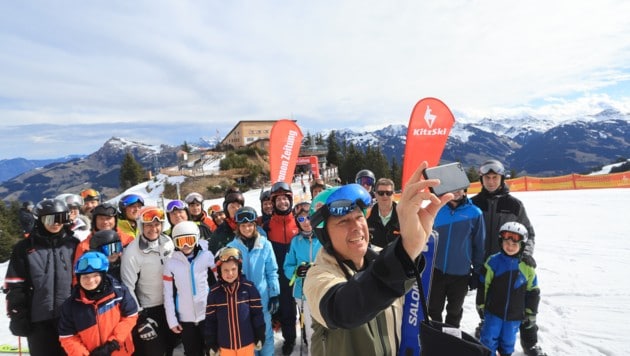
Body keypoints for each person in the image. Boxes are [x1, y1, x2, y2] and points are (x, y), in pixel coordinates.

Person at [303, 162, 452, 355]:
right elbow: (343, 309)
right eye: (343, 221)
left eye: (359, 217)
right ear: (325, 235)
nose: (356, 226)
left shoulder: (382, 257)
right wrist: (403, 252)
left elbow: (412, 315)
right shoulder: (318, 276)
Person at [471, 159, 546, 356]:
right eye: (487, 177)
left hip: (512, 264)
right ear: (481, 179)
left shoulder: (513, 205)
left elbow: (529, 232)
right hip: (485, 265)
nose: (491, 181)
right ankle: (485, 328)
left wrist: (526, 255)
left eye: (495, 177)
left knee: (520, 304)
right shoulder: (474, 204)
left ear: (502, 178)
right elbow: (466, 234)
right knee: (490, 302)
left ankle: (530, 343)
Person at [4, 198, 79, 355]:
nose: (56, 223)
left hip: (69, 318)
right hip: (38, 320)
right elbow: (15, 284)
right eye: (50, 218)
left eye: (60, 218)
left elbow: (83, 281)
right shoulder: (25, 248)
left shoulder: (73, 245)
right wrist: (18, 315)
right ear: (39, 219)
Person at [476, 222, 540, 356]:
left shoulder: (527, 267)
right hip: (493, 312)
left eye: (514, 244)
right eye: (507, 243)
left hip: (514, 315)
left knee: (508, 342)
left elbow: (533, 292)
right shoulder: (493, 261)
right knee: (488, 339)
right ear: (501, 242)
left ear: (521, 245)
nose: (510, 247)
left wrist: (531, 313)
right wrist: (481, 304)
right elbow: (483, 285)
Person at [120, 206, 177, 356]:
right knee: (154, 351)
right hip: (148, 309)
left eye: (157, 224)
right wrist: (140, 318)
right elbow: (127, 286)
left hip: (170, 306)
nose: (153, 229)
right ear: (141, 226)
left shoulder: (168, 242)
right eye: (148, 225)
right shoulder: (132, 252)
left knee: (173, 346)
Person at [58, 251, 139, 356]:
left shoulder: (119, 292)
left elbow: (131, 316)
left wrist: (113, 343)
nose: (90, 280)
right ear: (78, 278)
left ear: (103, 275)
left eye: (95, 275)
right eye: (85, 276)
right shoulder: (71, 305)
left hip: (119, 351)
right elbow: (67, 336)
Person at [428, 189, 486, 328]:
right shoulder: (438, 209)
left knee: (454, 312)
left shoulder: (475, 213)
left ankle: (450, 341)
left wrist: (477, 272)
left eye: (459, 189)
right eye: (452, 189)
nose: (456, 192)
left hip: (460, 274)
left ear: (465, 191)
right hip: (436, 270)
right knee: (433, 309)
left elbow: (479, 245)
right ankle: (433, 338)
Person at [227, 206, 280, 356]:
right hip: (241, 302)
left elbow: (272, 271)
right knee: (248, 337)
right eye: (243, 225)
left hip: (262, 299)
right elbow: (227, 278)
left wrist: (274, 294)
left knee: (266, 335)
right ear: (238, 227)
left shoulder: (265, 245)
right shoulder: (231, 248)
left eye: (250, 225)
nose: (247, 228)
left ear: (255, 225)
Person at [163, 221, 216, 356]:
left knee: (213, 350)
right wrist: (172, 320)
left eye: (190, 240)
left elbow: (219, 282)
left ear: (197, 238)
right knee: (192, 352)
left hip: (207, 315)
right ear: (175, 243)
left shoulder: (207, 256)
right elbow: (168, 294)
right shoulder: (171, 263)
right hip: (185, 319)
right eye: (181, 242)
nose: (186, 246)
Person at [205, 247, 266, 356]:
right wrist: (211, 342)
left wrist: (260, 334)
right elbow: (210, 321)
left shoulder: (249, 288)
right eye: (226, 270)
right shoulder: (214, 292)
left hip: (246, 344)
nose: (230, 273)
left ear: (239, 268)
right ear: (219, 271)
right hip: (225, 346)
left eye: (233, 269)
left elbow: (257, 314)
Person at [263, 181, 299, 355]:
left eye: (285, 199)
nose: (282, 203)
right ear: (273, 202)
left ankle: (308, 337)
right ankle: (290, 339)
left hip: (299, 273)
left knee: (306, 307)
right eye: (278, 200)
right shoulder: (268, 225)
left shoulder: (299, 222)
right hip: (280, 275)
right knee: (287, 310)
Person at [283, 200, 321, 355]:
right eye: (300, 219)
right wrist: (297, 271)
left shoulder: (324, 238)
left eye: (308, 217)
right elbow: (287, 266)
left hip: (323, 290)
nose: (305, 222)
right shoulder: (296, 242)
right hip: (302, 293)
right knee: (311, 332)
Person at [73, 202, 135, 280]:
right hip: (95, 287)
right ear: (95, 221)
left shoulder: (128, 240)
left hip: (125, 286)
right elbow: (77, 275)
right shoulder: (84, 246)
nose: (105, 222)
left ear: (115, 220)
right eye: (101, 218)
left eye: (108, 218)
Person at [366, 178, 400, 248]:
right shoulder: (366, 216)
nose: (385, 196)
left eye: (388, 193)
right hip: (373, 257)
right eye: (381, 193)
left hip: (395, 257)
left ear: (393, 195)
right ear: (375, 195)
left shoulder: (404, 216)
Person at [210, 187, 245, 254]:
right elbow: (212, 256)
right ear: (226, 210)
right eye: (232, 207)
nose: (236, 209)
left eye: (239, 206)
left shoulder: (250, 227)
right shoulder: (219, 232)